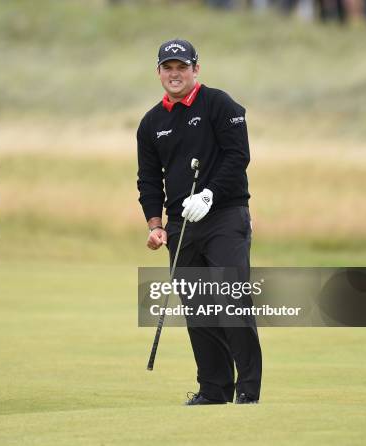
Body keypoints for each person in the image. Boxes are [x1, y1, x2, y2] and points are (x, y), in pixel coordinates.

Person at [137, 39, 262, 405]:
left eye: (182, 67)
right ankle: (214, 389)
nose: (175, 74)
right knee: (199, 310)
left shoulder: (219, 104)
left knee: (230, 302)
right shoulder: (151, 123)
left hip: (225, 216)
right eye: (168, 68)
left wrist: (209, 195)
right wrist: (155, 224)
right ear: (159, 72)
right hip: (181, 225)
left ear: (196, 69)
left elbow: (238, 156)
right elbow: (148, 178)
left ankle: (248, 391)